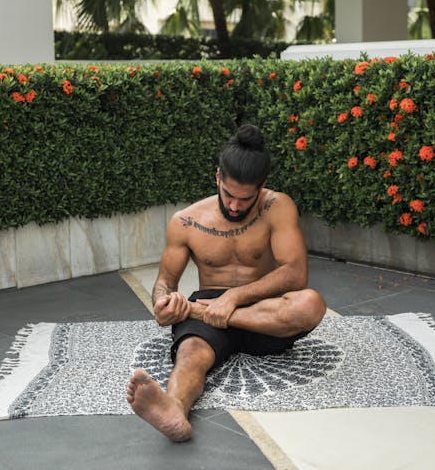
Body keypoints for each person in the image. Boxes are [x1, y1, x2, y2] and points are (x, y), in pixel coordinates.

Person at [126, 124, 326, 442]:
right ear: (217, 177)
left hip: (262, 312)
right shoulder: (186, 221)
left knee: (310, 304)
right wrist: (163, 304)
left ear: (262, 187)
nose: (234, 206)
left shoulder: (278, 207)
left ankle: (200, 313)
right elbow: (165, 281)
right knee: (191, 353)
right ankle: (174, 408)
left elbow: (294, 273)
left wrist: (230, 300)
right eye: (228, 194)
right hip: (208, 308)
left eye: (245, 199)